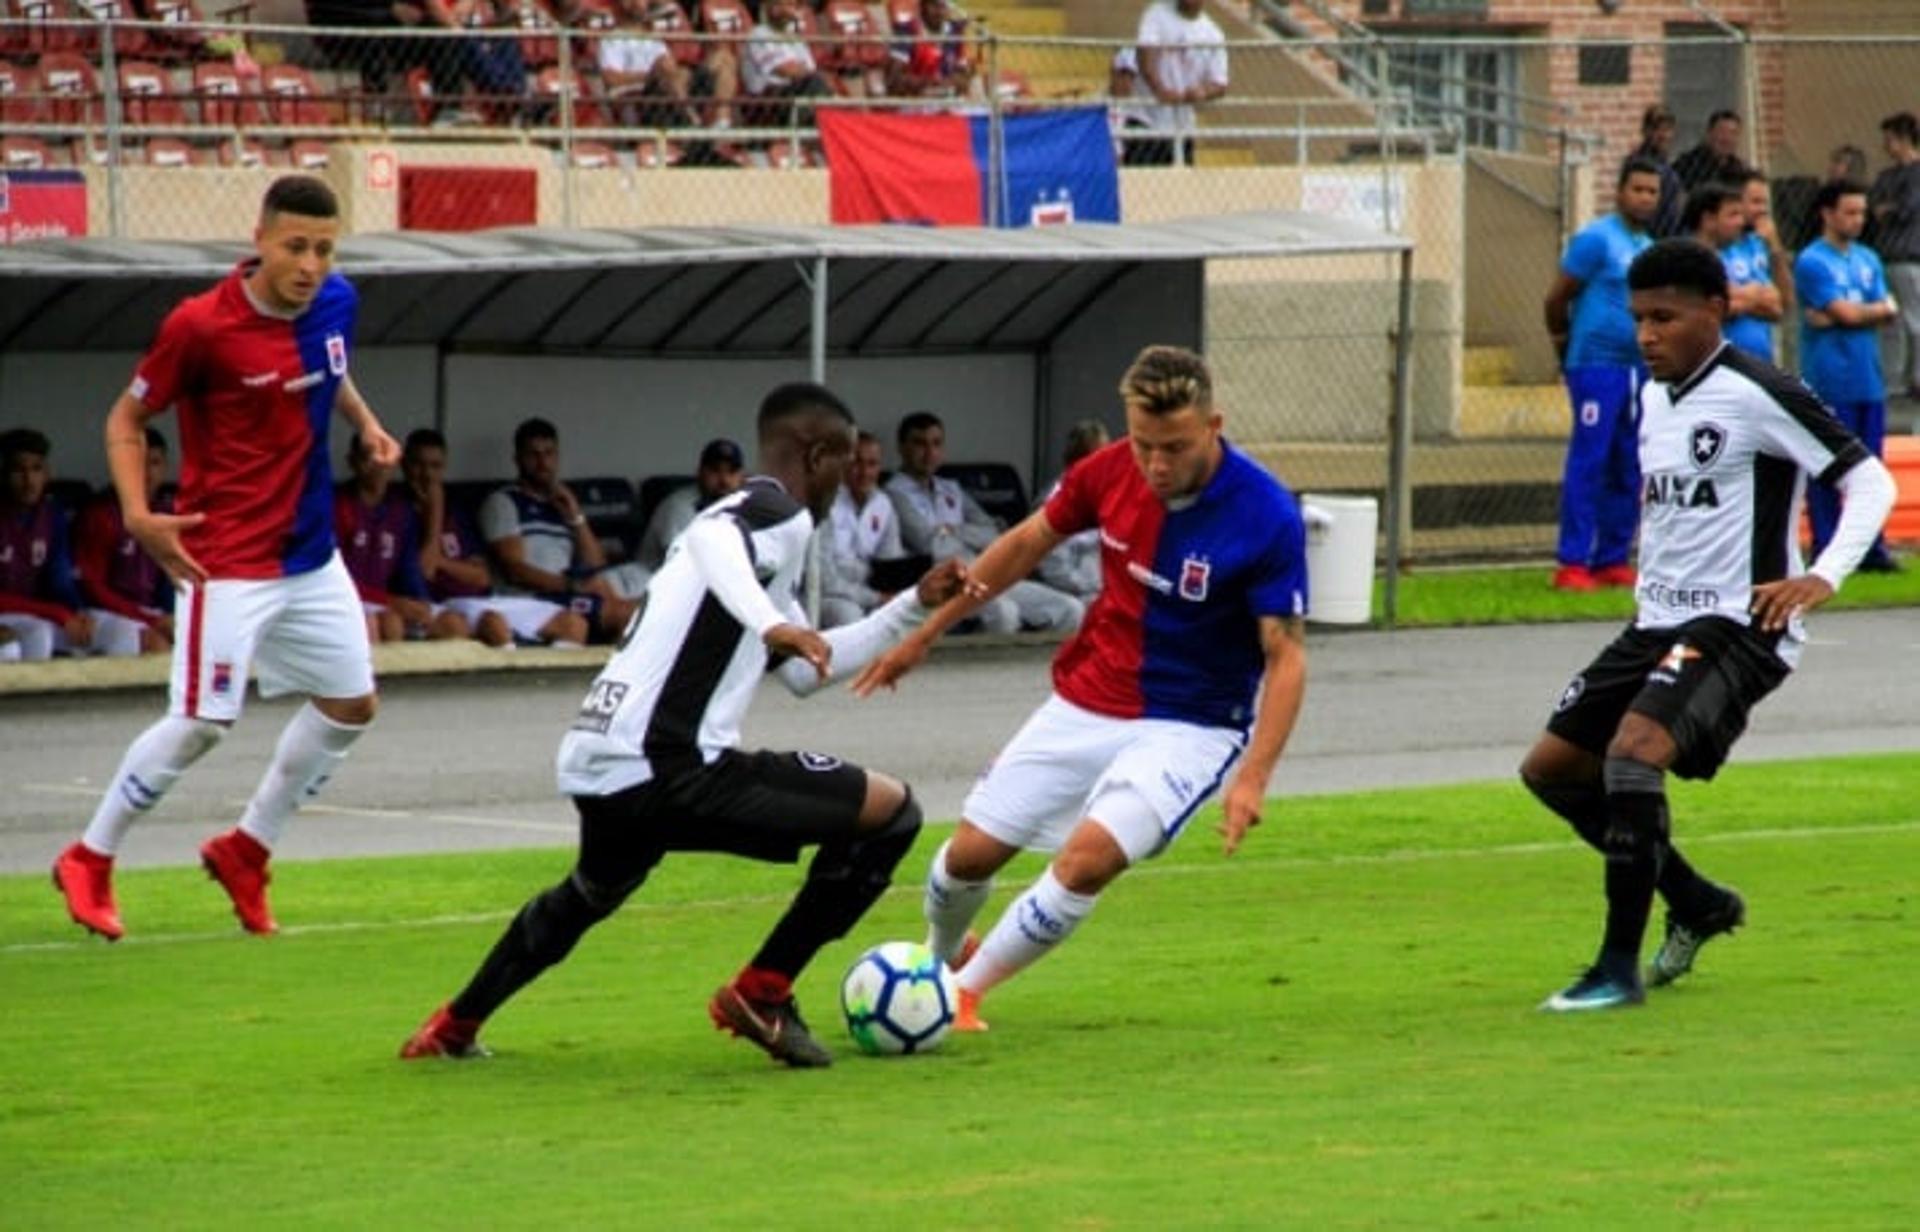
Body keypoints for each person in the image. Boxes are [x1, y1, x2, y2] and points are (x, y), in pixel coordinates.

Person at [398, 382, 968, 1066]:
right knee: (895, 815)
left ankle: (452, 1028)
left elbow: (800, 670)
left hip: (600, 757)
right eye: (845, 463)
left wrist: (910, 605)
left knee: (589, 892)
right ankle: (763, 991)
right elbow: (711, 539)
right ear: (816, 454)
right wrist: (774, 623)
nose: (848, 481)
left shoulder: (761, 536)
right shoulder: (772, 512)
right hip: (671, 764)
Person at [852, 345, 1310, 1032]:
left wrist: (1255, 778)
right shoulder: (1109, 470)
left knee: (1087, 860)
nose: (1155, 463)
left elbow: (1287, 655)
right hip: (1087, 697)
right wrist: (925, 633)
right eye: (1143, 444)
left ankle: (961, 997)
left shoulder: (1267, 513)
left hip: (1193, 723)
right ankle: (938, 963)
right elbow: (1026, 542)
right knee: (965, 859)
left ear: (1214, 426)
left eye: (1174, 447)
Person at [1523, 238, 1895, 1012]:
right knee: (1553, 771)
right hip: (1657, 621)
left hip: (1740, 621)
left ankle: (1615, 970)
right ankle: (1697, 902)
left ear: (1715, 312)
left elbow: (1870, 481)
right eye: (1638, 319)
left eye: (1664, 318)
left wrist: (1822, 574)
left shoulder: (1759, 390)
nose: (1647, 335)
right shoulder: (1653, 396)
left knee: (1633, 755)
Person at [52, 176, 399, 941]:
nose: (311, 264)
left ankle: (246, 850)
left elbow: (331, 369)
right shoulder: (201, 327)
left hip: (310, 556)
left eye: (324, 248)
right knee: (204, 720)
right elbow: (127, 416)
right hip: (229, 559)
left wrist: (369, 426)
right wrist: (140, 515)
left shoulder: (338, 301)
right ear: (261, 240)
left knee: (352, 706)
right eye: (296, 247)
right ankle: (89, 855)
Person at [1542, 156, 1660, 591]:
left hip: (1636, 370)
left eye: (1652, 192)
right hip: (1596, 365)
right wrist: (1563, 346)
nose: (1645, 198)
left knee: (1629, 462)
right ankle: (1572, 560)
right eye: (1638, 190)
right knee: (1589, 460)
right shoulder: (1596, 240)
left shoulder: (1649, 246)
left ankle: (1612, 556)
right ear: (1620, 192)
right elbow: (1556, 298)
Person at [886, 410, 1082, 634]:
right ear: (902, 448)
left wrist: (954, 530)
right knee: (1004, 614)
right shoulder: (893, 493)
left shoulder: (950, 489)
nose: (929, 452)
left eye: (936, 443)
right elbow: (930, 544)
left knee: (1070, 609)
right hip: (944, 583)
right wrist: (965, 536)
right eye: (920, 444)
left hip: (987, 570)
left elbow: (992, 532)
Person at [1795, 178, 1902, 572]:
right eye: (1850, 212)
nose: (1858, 220)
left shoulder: (1868, 259)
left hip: (1867, 379)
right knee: (1828, 468)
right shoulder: (1812, 260)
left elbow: (1879, 309)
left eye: (1862, 212)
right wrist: (1866, 312)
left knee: (1869, 468)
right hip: (1830, 380)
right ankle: (1827, 546)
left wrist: (1857, 314)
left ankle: (1872, 549)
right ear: (1827, 213)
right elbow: (1851, 313)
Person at [399, 428, 587, 649]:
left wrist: (442, 561)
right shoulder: (397, 512)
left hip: (487, 599)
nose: (427, 475)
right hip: (444, 605)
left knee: (574, 624)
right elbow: (426, 569)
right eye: (418, 465)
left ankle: (547, 683)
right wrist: (435, 509)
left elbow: (482, 577)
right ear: (403, 465)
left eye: (435, 467)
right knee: (494, 626)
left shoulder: (457, 513)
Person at [478, 417, 641, 640]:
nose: (542, 462)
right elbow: (515, 571)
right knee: (625, 614)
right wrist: (574, 586)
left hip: (563, 596)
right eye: (533, 454)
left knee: (642, 609)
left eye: (549, 453)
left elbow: (596, 564)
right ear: (517, 459)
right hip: (529, 600)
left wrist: (576, 517)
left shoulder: (561, 504)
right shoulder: (504, 502)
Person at [335, 432, 467, 643]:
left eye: (385, 456)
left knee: (453, 624)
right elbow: (334, 581)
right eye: (370, 457)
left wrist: (420, 602)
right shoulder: (337, 506)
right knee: (389, 623)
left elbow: (409, 568)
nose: (379, 465)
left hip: (383, 602)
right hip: (347, 600)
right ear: (353, 462)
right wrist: (392, 602)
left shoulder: (398, 510)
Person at [73, 426, 176, 656]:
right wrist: (150, 618)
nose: (147, 472)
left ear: (165, 467)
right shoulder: (101, 515)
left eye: (155, 463)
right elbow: (93, 588)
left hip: (150, 611)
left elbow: (174, 581)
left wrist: (167, 616)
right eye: (138, 462)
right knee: (152, 643)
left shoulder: (168, 515)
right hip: (103, 612)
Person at [0, 427, 98, 661]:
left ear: (47, 473)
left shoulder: (52, 516)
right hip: (16, 612)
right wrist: (56, 612)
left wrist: (76, 613)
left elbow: (60, 578)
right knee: (11, 647)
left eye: (36, 469)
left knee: (84, 638)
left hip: (28, 613)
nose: (28, 480)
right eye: (18, 470)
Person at [820, 430, 913, 629]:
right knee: (850, 616)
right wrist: (875, 598)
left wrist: (891, 598)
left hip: (870, 594)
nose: (864, 472)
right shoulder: (824, 502)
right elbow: (825, 580)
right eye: (856, 463)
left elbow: (891, 564)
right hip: (828, 597)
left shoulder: (883, 504)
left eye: (872, 464)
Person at [1687, 181, 1782, 363]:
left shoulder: (1729, 255)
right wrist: (1754, 295)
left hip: (1755, 366)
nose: (1741, 221)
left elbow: (1776, 307)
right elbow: (1713, 309)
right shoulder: (1690, 259)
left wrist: (1739, 298)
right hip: (1716, 368)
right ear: (1708, 219)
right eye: (1733, 215)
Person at [1131, 0, 1228, 168]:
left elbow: (1220, 83)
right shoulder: (1157, 13)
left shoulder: (1213, 34)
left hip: (1182, 127)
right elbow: (1144, 55)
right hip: (1146, 121)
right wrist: (1159, 89)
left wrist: (1203, 92)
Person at [633, 437, 746, 576]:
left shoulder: (742, 505)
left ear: (741, 476)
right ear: (700, 472)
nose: (724, 480)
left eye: (732, 472)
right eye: (716, 471)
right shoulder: (678, 506)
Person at [1868, 111, 1920, 400]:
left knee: (1914, 319)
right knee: (1891, 321)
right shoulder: (1887, 176)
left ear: (1903, 140)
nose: (1886, 146)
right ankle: (1892, 379)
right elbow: (1874, 206)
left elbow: (1905, 208)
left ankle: (1916, 376)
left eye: (1890, 140)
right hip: (1886, 254)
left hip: (1909, 255)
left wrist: (1888, 210)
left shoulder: (1916, 174)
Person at [1033, 419, 1109, 601]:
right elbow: (1053, 568)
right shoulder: (1055, 499)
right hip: (1072, 591)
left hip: (1101, 586)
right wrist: (1093, 585)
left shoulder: (1106, 495)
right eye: (1102, 456)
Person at [1729, 169, 1792, 362]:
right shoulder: (1719, 246)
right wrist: (1763, 300)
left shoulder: (1759, 243)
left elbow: (1784, 303)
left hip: (1761, 363)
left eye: (1765, 203)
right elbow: (1723, 305)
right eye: (1756, 202)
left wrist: (1774, 248)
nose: (1763, 210)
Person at [886, 0, 975, 100]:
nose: (939, 12)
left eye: (943, 6)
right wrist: (928, 83)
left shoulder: (955, 31)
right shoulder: (906, 30)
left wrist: (952, 82)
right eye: (934, 5)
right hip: (915, 103)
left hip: (949, 101)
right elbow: (894, 81)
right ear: (922, 7)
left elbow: (965, 74)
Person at [1630, 104, 1685, 238]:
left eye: (1667, 130)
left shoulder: (1666, 164)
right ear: (1645, 131)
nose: (1663, 135)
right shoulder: (1639, 164)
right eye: (1656, 129)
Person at [1671, 109, 1748, 195]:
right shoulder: (1687, 164)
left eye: (1733, 133)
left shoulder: (1740, 169)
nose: (1727, 138)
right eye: (1722, 132)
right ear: (1709, 133)